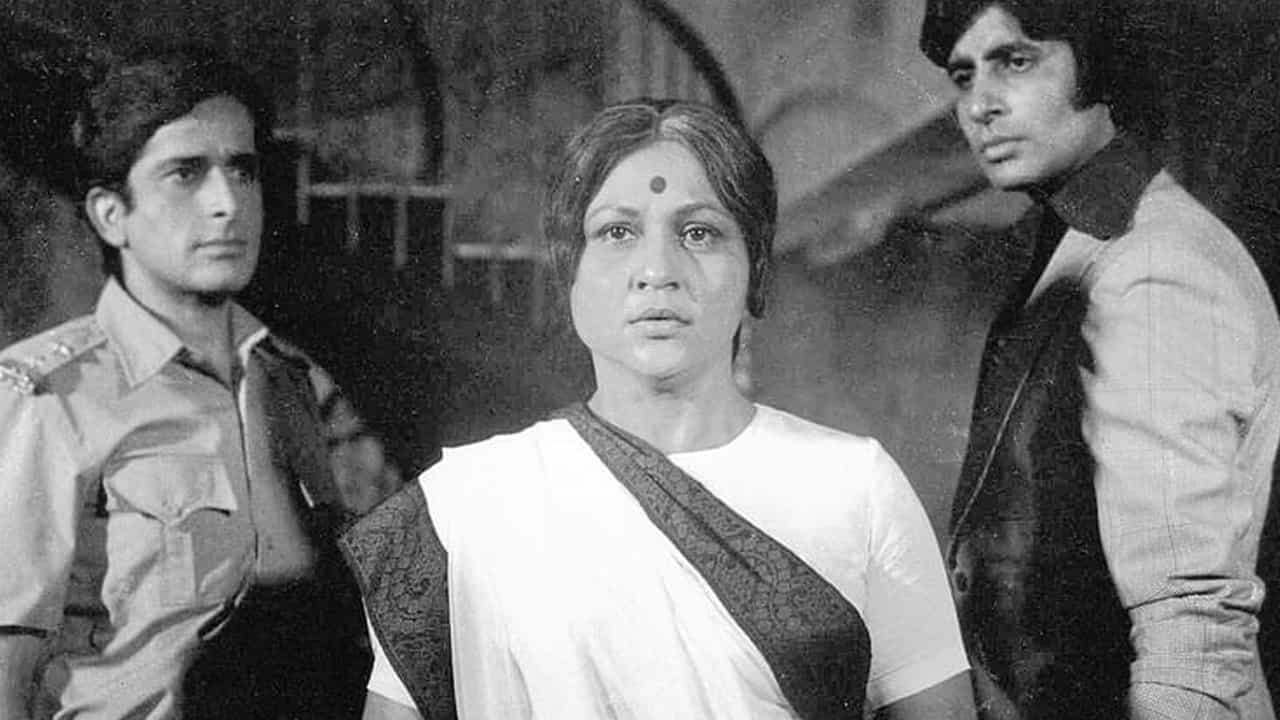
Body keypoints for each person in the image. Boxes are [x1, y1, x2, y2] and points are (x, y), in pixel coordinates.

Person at [341, 98, 975, 720]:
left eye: (699, 233)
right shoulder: (466, 505)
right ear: (569, 275)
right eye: (617, 232)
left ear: (754, 271)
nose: (656, 270)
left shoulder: (856, 485)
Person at [919, 1, 1280, 717]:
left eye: (1015, 61)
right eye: (963, 77)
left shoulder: (1154, 266)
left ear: (1097, 62)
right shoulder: (1085, 247)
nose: (980, 106)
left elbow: (1192, 632)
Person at [0, 46, 372, 719]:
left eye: (243, 170)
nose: (228, 203)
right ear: (111, 215)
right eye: (185, 173)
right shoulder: (48, 396)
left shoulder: (287, 382)